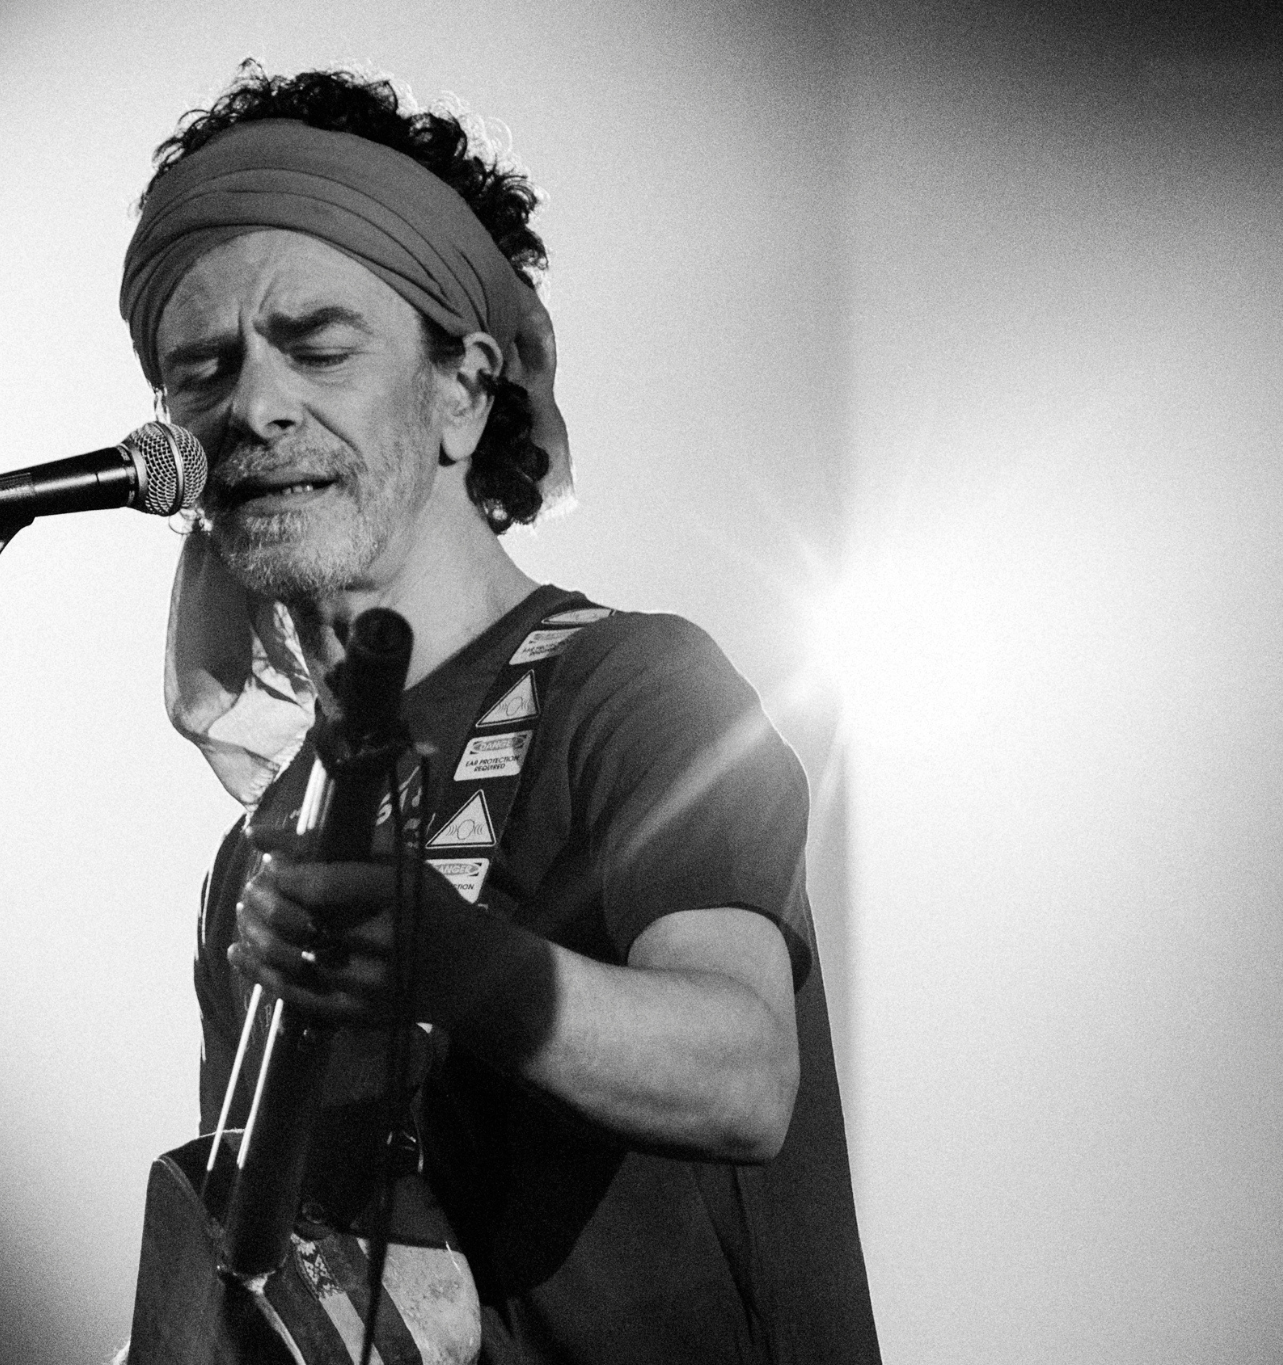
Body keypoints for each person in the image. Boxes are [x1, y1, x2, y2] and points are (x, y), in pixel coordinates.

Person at [122, 66, 880, 1363]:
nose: (252, 406)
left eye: (317, 347)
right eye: (200, 371)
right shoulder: (256, 855)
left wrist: (450, 961)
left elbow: (743, 1077)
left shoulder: (634, 687)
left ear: (462, 390)